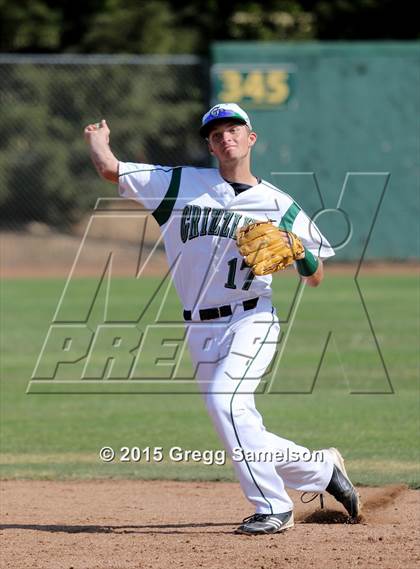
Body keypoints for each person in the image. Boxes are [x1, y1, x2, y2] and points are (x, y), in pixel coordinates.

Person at [84, 103, 360, 535]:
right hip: (199, 327)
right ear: (210, 145)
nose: (225, 137)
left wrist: (297, 248)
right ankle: (320, 469)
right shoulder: (178, 184)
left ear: (251, 138)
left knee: (225, 401)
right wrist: (98, 142)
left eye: (234, 129)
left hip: (251, 319)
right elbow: (110, 170)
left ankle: (273, 506)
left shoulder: (279, 205)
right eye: (215, 134)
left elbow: (316, 276)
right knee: (236, 417)